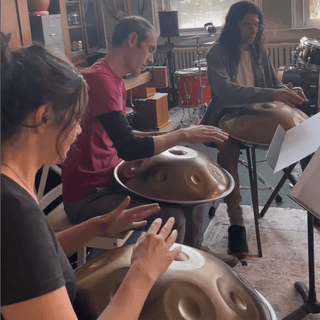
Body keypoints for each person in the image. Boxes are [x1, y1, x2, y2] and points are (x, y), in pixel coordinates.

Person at [1, 32, 182, 320]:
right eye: (76, 118)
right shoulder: (12, 210)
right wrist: (144, 271)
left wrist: (98, 225)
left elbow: (33, 260)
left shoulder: (14, 185)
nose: (80, 130)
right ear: (44, 117)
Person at [61, 16, 230, 257]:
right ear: (132, 40)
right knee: (175, 218)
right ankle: (173, 280)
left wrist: (176, 134)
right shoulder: (97, 80)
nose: (151, 57)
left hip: (112, 179)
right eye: (150, 49)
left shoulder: (114, 80)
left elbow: (124, 135)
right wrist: (182, 134)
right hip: (89, 197)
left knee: (193, 194)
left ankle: (193, 257)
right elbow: (129, 147)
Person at [201, 1, 308, 259]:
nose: (253, 31)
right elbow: (225, 92)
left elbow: (273, 83)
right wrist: (274, 92)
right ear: (233, 26)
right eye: (247, 25)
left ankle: (312, 202)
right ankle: (236, 223)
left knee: (305, 135)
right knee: (227, 153)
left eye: (256, 26)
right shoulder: (217, 53)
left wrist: (288, 91)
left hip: (261, 115)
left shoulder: (259, 50)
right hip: (227, 116)